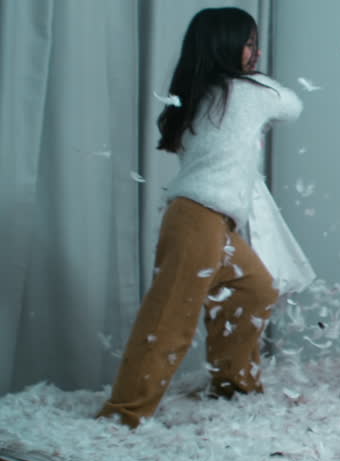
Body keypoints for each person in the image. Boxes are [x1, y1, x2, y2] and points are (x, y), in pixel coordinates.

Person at [97, 7, 313, 428]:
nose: (257, 50)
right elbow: (293, 106)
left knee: (255, 289)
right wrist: (258, 77)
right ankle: (124, 414)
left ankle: (233, 388)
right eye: (249, 43)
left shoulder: (200, 95)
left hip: (210, 222)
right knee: (169, 319)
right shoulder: (247, 93)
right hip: (199, 220)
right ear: (226, 46)